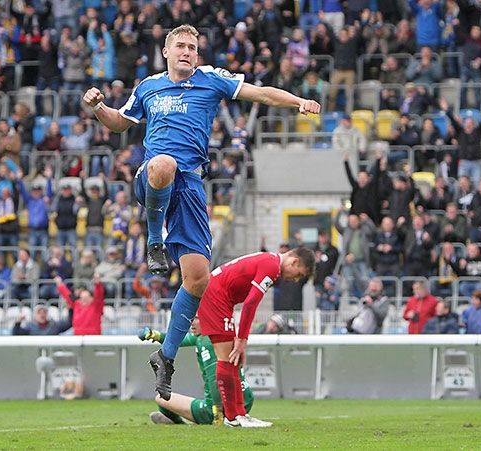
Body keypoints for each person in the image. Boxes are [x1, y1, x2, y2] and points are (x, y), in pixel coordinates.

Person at [82, 24, 320, 401]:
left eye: (193, 47)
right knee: (163, 164)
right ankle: (155, 241)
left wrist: (297, 102)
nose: (187, 52)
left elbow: (261, 94)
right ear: (166, 51)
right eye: (181, 45)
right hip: (155, 178)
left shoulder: (211, 80)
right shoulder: (148, 87)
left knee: (197, 279)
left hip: (191, 186)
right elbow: (116, 123)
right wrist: (97, 105)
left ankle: (166, 357)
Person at [197, 247, 315, 427]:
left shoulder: (270, 261)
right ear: (294, 262)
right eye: (299, 274)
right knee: (226, 357)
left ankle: (240, 415)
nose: (295, 279)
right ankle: (232, 417)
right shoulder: (272, 266)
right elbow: (251, 303)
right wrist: (242, 340)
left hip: (220, 296)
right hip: (215, 296)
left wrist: (241, 339)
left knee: (233, 358)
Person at [139, 317, 254, 425]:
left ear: (207, 318)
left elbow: (214, 378)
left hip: (221, 408)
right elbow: (180, 340)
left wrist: (216, 410)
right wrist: (155, 335)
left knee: (162, 398)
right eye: (191, 318)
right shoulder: (220, 335)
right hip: (246, 400)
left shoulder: (205, 341)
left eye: (197, 318)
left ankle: (179, 424)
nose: (192, 322)